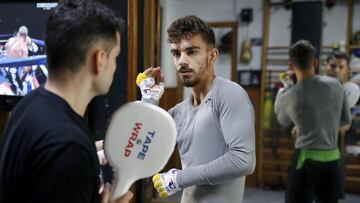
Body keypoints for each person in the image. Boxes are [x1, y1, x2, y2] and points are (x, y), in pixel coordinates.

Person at [0, 1, 132, 202]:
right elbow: (64, 152)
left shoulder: (29, 104)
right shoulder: (69, 148)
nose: (115, 67)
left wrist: (93, 147)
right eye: (115, 57)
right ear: (100, 59)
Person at [137, 15, 256, 203]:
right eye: (176, 54)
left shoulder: (230, 94)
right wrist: (149, 100)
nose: (182, 61)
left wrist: (179, 178)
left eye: (191, 52)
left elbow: (243, 161)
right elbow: (142, 146)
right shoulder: (179, 112)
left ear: (212, 56)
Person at [274, 40, 352, 203]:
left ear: (291, 65)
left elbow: (283, 120)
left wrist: (285, 88)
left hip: (305, 160)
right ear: (315, 62)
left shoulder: (288, 94)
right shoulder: (336, 85)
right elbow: (345, 121)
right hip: (332, 160)